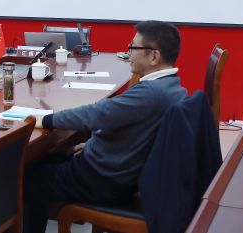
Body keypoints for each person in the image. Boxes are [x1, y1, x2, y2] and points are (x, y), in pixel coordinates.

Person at [23, 20, 187, 233]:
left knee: (30, 180)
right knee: (45, 159)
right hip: (119, 172)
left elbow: (95, 115)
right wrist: (91, 144)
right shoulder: (173, 87)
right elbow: (127, 128)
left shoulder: (150, 94)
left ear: (154, 56)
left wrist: (45, 119)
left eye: (133, 47)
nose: (129, 53)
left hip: (102, 179)